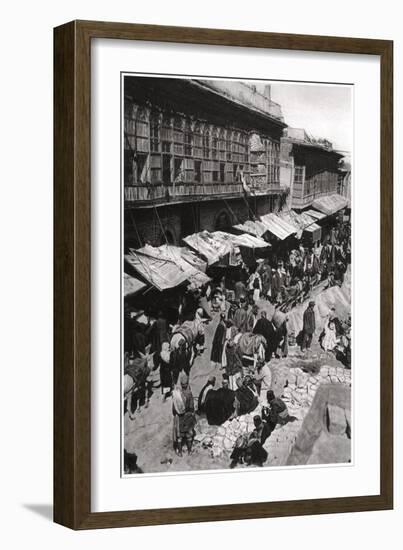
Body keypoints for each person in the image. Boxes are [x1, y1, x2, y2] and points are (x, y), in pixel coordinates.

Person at [172, 373, 196, 456]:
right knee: (189, 435)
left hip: (180, 417)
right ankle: (189, 451)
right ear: (187, 383)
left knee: (179, 437)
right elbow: (192, 407)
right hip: (188, 416)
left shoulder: (177, 394)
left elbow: (173, 409)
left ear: (181, 384)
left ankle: (180, 453)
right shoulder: (189, 394)